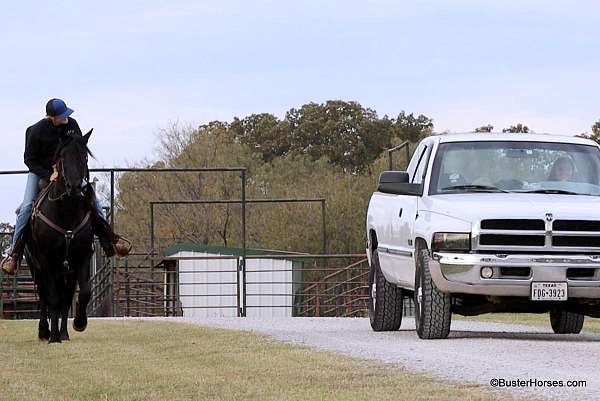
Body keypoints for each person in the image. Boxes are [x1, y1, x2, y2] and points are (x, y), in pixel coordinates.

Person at [1, 99, 130, 275]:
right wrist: (49, 174)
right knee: (25, 207)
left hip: (68, 172)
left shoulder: (72, 125)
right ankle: (14, 255)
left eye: (67, 114)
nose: (67, 118)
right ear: (51, 118)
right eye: (62, 116)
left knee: (94, 200)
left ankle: (110, 240)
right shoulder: (35, 131)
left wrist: (70, 170)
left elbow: (77, 148)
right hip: (40, 171)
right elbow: (29, 160)